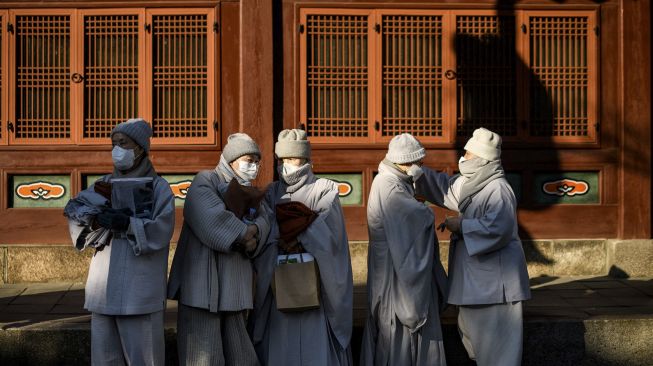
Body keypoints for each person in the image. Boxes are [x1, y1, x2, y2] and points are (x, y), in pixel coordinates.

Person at [415, 127, 531, 366]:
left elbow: (499, 229)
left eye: (467, 154)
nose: (463, 158)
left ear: (482, 159)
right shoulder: (473, 183)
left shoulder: (498, 188)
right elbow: (443, 187)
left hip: (495, 286)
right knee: (475, 343)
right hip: (475, 283)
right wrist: (415, 171)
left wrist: (462, 225)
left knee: (499, 351)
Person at [64, 118, 175, 366]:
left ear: (140, 148)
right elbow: (76, 220)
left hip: (141, 292)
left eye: (123, 143)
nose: (118, 150)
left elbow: (163, 228)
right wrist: (95, 222)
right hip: (104, 289)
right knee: (104, 359)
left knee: (145, 360)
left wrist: (129, 224)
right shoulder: (102, 185)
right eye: (114, 144)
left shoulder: (159, 188)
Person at [248, 129, 353, 366]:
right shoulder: (272, 192)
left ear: (305, 159)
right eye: (282, 160)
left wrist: (297, 235)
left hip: (313, 283)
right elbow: (264, 228)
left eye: (292, 159)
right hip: (279, 284)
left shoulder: (324, 189)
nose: (287, 165)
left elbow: (329, 234)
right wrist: (289, 233)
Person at [167, 133, 270, 366]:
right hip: (201, 283)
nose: (253, 166)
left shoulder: (252, 191)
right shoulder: (205, 180)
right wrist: (245, 234)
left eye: (256, 161)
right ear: (231, 159)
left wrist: (255, 230)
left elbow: (266, 220)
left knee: (240, 353)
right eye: (248, 159)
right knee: (202, 354)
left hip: (235, 283)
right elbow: (207, 216)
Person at [360, 133, 448, 366]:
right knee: (395, 328)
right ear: (406, 161)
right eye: (418, 163)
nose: (421, 167)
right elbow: (415, 220)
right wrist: (426, 210)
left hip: (395, 261)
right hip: (394, 270)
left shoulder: (395, 180)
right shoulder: (389, 185)